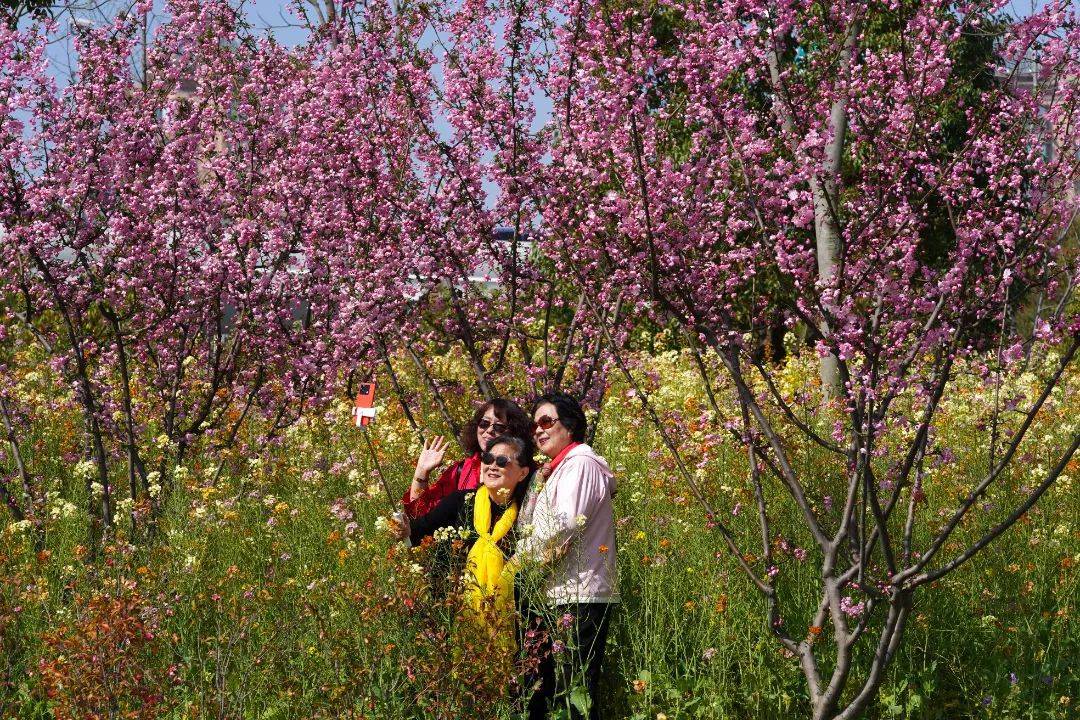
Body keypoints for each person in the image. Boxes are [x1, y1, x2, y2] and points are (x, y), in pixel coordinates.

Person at [511, 392, 618, 720]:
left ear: (569, 426)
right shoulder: (558, 469)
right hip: (561, 590)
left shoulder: (581, 463)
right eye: (534, 425)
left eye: (547, 421)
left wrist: (518, 562)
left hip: (581, 592)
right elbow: (533, 525)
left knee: (577, 690)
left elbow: (564, 524)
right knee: (560, 689)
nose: (538, 430)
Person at [390, 434, 538, 644]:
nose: (492, 466)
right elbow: (417, 532)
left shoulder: (525, 514)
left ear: (523, 473)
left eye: (502, 461)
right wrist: (403, 529)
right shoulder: (461, 500)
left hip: (508, 622)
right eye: (488, 459)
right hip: (453, 614)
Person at [403, 399, 534, 518]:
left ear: (514, 433)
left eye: (499, 427)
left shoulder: (527, 472)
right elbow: (419, 514)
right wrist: (421, 471)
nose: (489, 430)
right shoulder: (460, 471)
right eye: (484, 423)